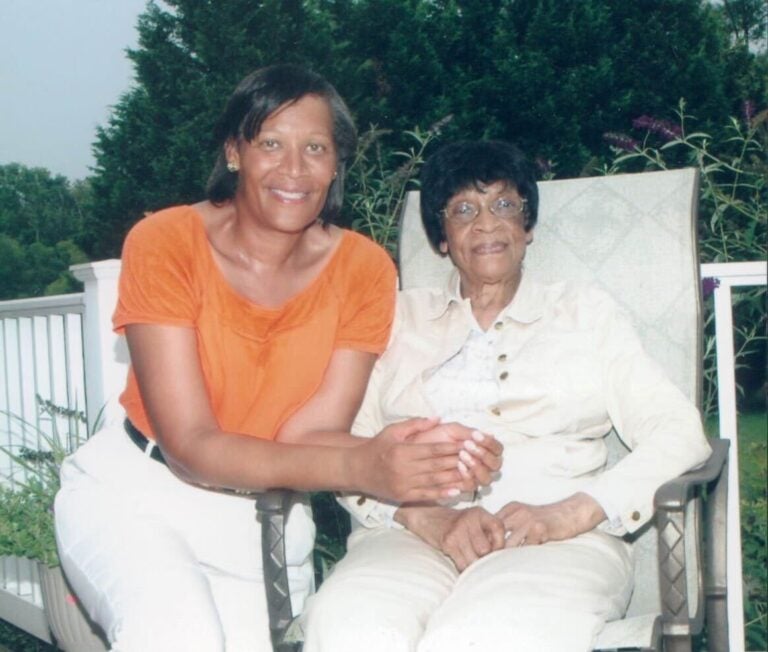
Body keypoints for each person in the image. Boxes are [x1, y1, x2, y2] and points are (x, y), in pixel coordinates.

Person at [53, 66, 500, 652]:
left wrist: (416, 458)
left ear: (337, 162)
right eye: (271, 143)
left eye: (316, 148)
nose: (294, 170)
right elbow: (193, 446)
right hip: (138, 496)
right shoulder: (166, 242)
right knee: (177, 637)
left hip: (264, 526)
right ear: (235, 151)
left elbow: (311, 432)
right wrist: (362, 469)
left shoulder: (364, 269)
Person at [301, 140, 713, 652]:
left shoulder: (585, 314)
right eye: (464, 210)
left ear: (528, 226)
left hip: (558, 542)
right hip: (408, 536)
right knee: (349, 628)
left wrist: (575, 510)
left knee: (486, 638)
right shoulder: (396, 320)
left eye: (503, 205)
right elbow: (348, 445)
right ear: (442, 238)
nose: (487, 224)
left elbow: (678, 431)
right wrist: (426, 516)